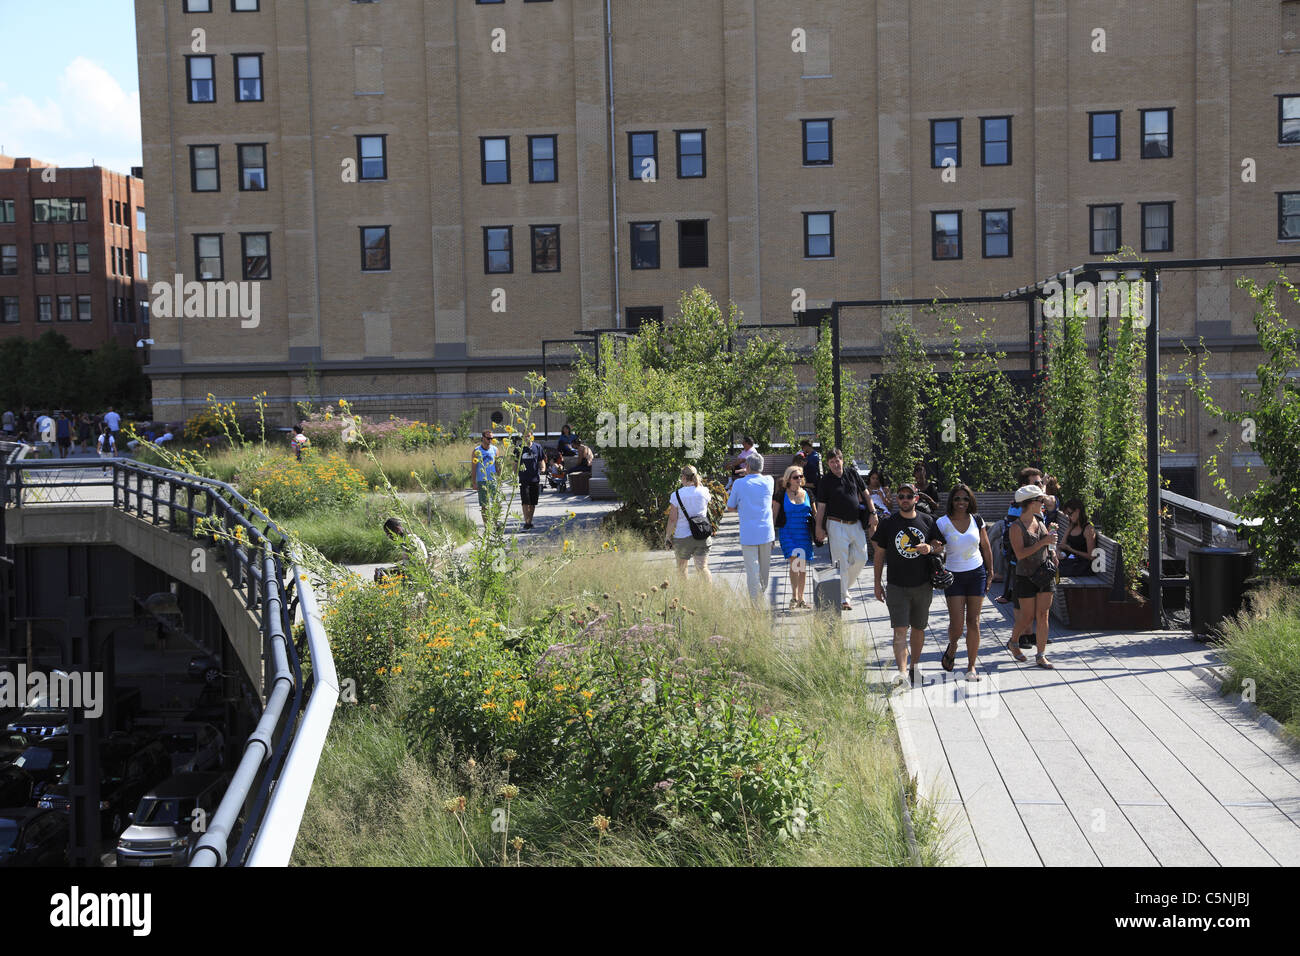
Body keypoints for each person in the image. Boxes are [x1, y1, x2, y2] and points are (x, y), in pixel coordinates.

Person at [872, 481, 946, 688]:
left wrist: (929, 548)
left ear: (916, 498)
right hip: (896, 585)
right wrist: (877, 584)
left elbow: (939, 545)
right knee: (900, 630)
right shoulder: (888, 523)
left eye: (908, 496)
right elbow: (879, 554)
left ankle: (914, 667)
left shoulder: (928, 521)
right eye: (901, 496)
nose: (904, 499)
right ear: (897, 499)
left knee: (919, 628)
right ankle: (902, 673)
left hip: (923, 584)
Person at [937, 484, 994, 681]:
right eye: (957, 499)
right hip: (954, 576)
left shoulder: (977, 520)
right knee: (957, 625)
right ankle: (953, 646)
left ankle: (971, 666)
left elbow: (985, 547)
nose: (961, 503)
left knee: (974, 621)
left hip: (977, 573)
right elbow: (936, 547)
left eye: (965, 499)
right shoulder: (942, 523)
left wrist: (991, 571)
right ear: (951, 501)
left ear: (970, 501)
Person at [814, 448, 877, 610]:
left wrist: (873, 513)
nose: (835, 464)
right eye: (832, 462)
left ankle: (841, 586)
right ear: (828, 464)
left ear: (842, 460)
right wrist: (818, 527)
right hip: (835, 524)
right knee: (840, 562)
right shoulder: (825, 481)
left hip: (855, 523)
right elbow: (821, 508)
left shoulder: (852, 474)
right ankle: (844, 597)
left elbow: (867, 494)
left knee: (862, 557)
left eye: (837, 460)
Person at [1007, 485, 1058, 669]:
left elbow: (1046, 544)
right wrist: (1044, 541)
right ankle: (1014, 642)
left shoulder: (1040, 520)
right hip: (1025, 576)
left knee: (1043, 615)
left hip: (1044, 573)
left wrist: (1051, 547)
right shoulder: (1016, 527)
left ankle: (1041, 654)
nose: (1043, 503)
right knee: (1027, 617)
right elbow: (1020, 554)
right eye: (1040, 500)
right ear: (1031, 503)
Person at [726, 453, 775, 603]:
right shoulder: (769, 481)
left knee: (752, 571)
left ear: (747, 466)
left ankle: (756, 603)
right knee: (764, 570)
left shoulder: (739, 484)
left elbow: (730, 507)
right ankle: (761, 593)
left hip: (748, 533)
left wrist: (742, 508)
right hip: (766, 532)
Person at [773, 465, 816, 609]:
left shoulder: (808, 493)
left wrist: (820, 530)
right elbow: (773, 515)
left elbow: (816, 514)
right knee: (794, 563)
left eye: (800, 477)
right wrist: (772, 534)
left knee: (802, 566)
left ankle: (801, 599)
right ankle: (794, 596)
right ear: (788, 479)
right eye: (795, 477)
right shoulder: (780, 494)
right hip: (787, 533)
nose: (799, 479)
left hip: (803, 533)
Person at [664, 464, 713, 581]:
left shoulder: (676, 495)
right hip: (702, 535)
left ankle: (685, 596)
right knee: (702, 567)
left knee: (682, 569)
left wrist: (667, 536)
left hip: (683, 537)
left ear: (683, 477)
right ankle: (709, 595)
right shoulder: (704, 491)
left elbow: (672, 519)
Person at [375, 517, 430, 582]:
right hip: (417, 573)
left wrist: (387, 571)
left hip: (415, 577)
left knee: (381, 575)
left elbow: (410, 568)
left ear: (397, 529)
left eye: (388, 533)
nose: (388, 537)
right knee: (383, 572)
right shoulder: (411, 538)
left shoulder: (409, 542)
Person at [1058, 498, 1098, 576]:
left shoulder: (1088, 529)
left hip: (1082, 565)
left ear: (1077, 511)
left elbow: (1091, 556)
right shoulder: (1073, 525)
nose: (1069, 517)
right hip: (1071, 561)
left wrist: (1072, 550)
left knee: (1054, 569)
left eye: (1070, 514)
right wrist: (1059, 552)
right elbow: (1062, 545)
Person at [471, 430, 500, 520]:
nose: (490, 440)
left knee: (497, 503)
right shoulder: (476, 451)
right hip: (482, 481)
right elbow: (473, 467)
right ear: (483, 438)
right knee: (485, 505)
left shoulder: (495, 450)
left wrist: (499, 479)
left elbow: (498, 465)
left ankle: (495, 523)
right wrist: (474, 482)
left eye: (492, 438)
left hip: (493, 480)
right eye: (488, 438)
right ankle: (487, 527)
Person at [518, 431, 543, 529]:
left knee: (533, 502)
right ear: (522, 437)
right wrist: (514, 473)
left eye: (529, 436)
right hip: (524, 478)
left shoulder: (537, 447)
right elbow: (516, 463)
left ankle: (530, 521)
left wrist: (543, 468)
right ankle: (526, 522)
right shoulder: (519, 448)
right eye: (525, 436)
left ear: (532, 436)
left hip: (534, 478)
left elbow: (541, 460)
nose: (527, 438)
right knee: (525, 501)